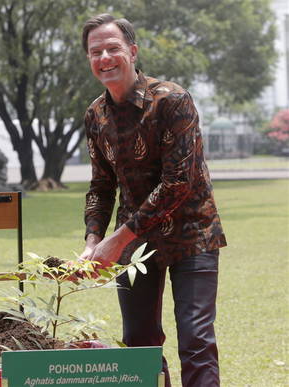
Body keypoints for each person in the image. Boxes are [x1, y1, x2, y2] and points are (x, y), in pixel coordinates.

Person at [79, 13, 226, 387]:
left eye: (113, 48)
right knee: (139, 345)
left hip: (192, 235)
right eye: (96, 52)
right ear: (89, 60)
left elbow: (178, 182)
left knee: (195, 340)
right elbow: (101, 184)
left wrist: (118, 239)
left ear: (132, 50)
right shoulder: (95, 115)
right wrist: (93, 239)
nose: (105, 58)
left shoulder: (172, 101)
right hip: (134, 243)